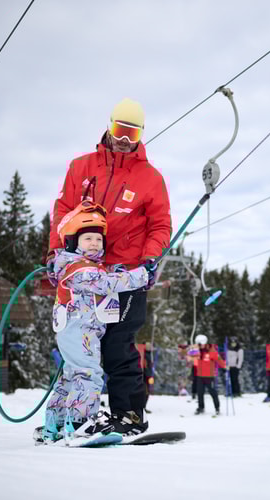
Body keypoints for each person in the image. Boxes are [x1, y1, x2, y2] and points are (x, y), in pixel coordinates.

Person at [47, 98, 171, 438]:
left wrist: (149, 259)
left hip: (126, 274)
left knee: (119, 342)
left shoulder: (150, 178)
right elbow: (63, 212)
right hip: (86, 273)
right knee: (82, 344)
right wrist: (56, 253)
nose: (124, 140)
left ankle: (128, 413)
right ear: (109, 126)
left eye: (132, 134)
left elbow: (161, 225)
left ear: (141, 135)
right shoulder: (81, 167)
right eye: (120, 131)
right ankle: (66, 417)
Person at [39, 202, 151, 445]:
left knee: (71, 377)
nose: (94, 243)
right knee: (88, 374)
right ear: (71, 242)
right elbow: (105, 284)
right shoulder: (76, 268)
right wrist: (140, 275)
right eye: (87, 238)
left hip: (81, 332)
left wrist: (119, 270)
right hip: (78, 331)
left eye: (98, 240)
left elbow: (104, 275)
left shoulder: (87, 267)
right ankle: (81, 423)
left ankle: (55, 425)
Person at [187, 334, 226, 415]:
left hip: (209, 376)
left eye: (200, 344)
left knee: (213, 392)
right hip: (199, 376)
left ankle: (217, 408)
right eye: (197, 344)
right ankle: (201, 408)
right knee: (200, 392)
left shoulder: (211, 351)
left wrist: (225, 366)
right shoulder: (196, 351)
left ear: (204, 343)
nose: (199, 345)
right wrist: (190, 352)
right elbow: (189, 358)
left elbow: (219, 360)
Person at [139, 342, 155, 413]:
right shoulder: (144, 354)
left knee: (147, 392)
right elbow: (145, 366)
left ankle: (143, 407)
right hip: (145, 376)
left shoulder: (149, 354)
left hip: (148, 376)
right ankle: (142, 407)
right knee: (145, 392)